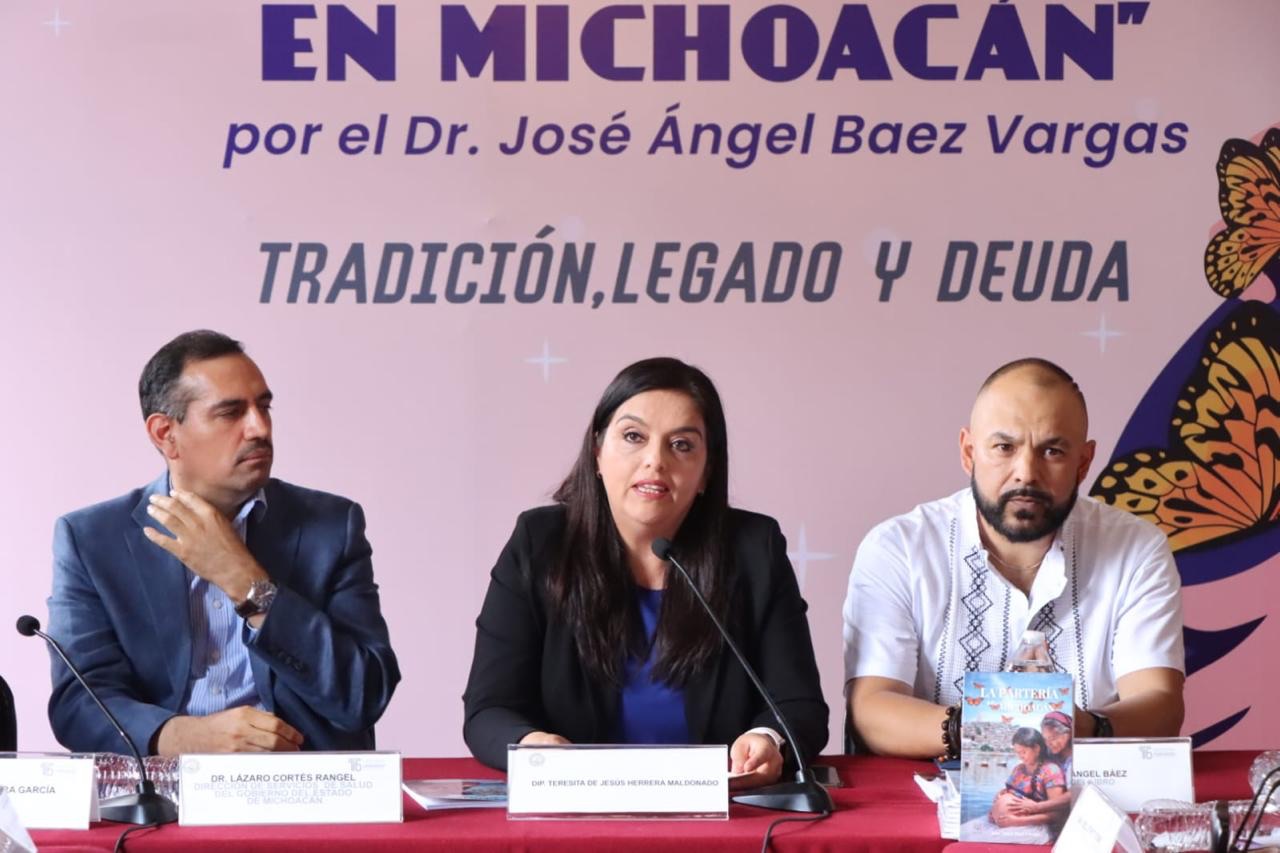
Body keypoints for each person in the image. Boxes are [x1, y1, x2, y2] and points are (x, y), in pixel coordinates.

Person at [462, 357, 828, 789]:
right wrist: (535, 747)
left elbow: (799, 705)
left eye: (682, 445)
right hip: (577, 806)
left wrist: (768, 738)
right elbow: (489, 709)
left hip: (719, 809)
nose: (655, 461)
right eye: (633, 437)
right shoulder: (539, 544)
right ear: (597, 452)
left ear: (707, 471)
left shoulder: (754, 549)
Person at [46, 331, 400, 755]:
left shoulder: (331, 526)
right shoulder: (92, 540)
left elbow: (364, 694)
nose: (260, 428)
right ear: (165, 434)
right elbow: (79, 703)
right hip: (163, 781)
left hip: (302, 777)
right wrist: (185, 737)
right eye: (231, 412)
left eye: (264, 407)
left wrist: (249, 585)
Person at [843, 358, 1185, 758]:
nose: (1026, 472)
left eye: (1052, 451)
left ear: (1083, 463)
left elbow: (1160, 704)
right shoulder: (899, 548)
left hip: (1092, 791)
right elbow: (872, 710)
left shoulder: (1137, 549)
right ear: (969, 452)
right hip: (923, 789)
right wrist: (995, 731)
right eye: (1004, 448)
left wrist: (1087, 727)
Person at [989, 728, 1067, 828]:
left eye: (1023, 752)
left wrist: (1018, 821)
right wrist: (1000, 797)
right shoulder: (1018, 769)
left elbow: (1058, 814)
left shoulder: (1051, 771)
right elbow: (1011, 791)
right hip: (1003, 824)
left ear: (1036, 748)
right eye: (1017, 752)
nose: (1020, 756)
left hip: (1026, 826)